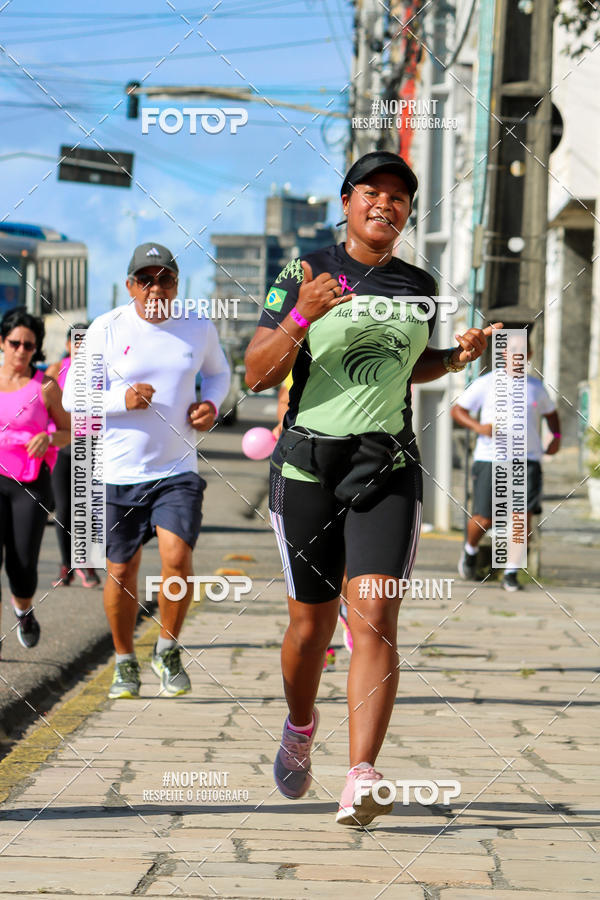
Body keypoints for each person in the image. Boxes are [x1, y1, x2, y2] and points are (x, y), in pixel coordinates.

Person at [244, 150, 502, 826]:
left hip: (385, 466)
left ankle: (362, 775)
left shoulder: (418, 284)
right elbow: (257, 374)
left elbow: (404, 365)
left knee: (376, 618)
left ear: (408, 212)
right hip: (307, 467)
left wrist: (453, 358)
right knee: (311, 626)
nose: (385, 203)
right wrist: (301, 315)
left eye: (399, 196)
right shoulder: (303, 272)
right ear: (347, 201)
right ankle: (300, 727)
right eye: (372, 191)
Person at [62, 243, 230, 699]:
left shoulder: (197, 325)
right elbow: (72, 398)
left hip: (177, 469)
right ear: (130, 285)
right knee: (122, 569)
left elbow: (219, 373)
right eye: (146, 279)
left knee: (177, 557)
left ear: (177, 283)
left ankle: (167, 649)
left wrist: (211, 404)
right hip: (117, 472)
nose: (156, 288)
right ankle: (124, 661)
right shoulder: (106, 329)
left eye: (166, 279)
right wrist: (122, 400)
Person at [452, 333, 561, 591]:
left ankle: (511, 573)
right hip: (491, 458)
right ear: (503, 354)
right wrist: (479, 427)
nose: (517, 356)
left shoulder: (536, 387)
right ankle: (470, 550)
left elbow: (552, 415)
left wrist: (556, 438)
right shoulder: (487, 383)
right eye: (512, 350)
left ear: (529, 355)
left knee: (521, 519)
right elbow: (458, 410)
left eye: (522, 351)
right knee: (484, 519)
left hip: (527, 460)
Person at [0, 308, 70, 655]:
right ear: (2, 342)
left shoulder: (45, 387)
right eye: (15, 343)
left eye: (29, 345)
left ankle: (24, 611)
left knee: (22, 564)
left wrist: (48, 437)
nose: (21, 350)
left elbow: (69, 431)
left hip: (29, 482)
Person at [46, 323, 101, 589]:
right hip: (63, 448)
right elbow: (42, 405)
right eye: (77, 342)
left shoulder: (102, 369)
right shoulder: (56, 370)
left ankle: (85, 561)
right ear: (68, 345)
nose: (82, 348)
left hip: (93, 446)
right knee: (65, 509)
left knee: (88, 508)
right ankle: (66, 564)